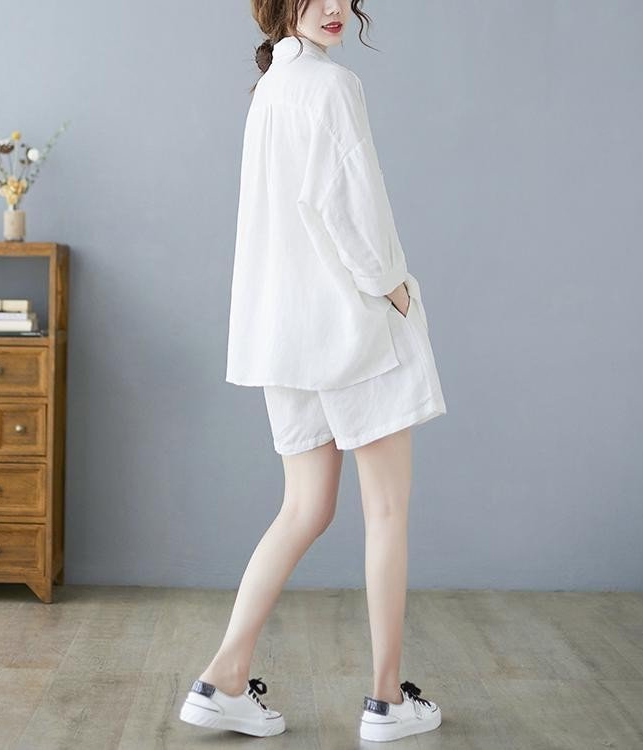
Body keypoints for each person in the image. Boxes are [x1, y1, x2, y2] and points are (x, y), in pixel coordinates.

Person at [180, 0, 446, 742]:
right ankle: (387, 701)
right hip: (352, 327)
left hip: (284, 335)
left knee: (304, 507)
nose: (334, 8)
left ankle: (223, 678)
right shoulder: (331, 85)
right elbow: (350, 206)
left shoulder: (272, 88)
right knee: (385, 510)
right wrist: (393, 286)